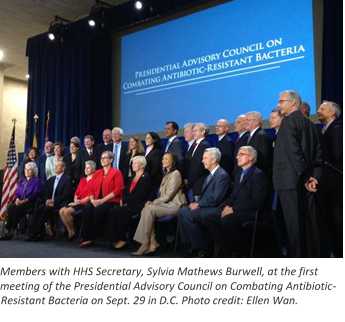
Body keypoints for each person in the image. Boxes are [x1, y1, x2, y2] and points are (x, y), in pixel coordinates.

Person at [273, 90, 322, 257]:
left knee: (294, 227)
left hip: (290, 182)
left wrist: (306, 177)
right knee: (308, 225)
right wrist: (314, 176)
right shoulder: (310, 124)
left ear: (293, 103)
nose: (279, 104)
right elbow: (318, 155)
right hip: (306, 181)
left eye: (281, 101)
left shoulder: (287, 122)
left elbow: (294, 153)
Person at [205, 146, 268, 257]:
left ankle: (236, 253)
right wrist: (223, 207)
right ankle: (225, 251)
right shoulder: (239, 174)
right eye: (238, 154)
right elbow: (233, 196)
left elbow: (257, 202)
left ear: (250, 158)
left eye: (241, 154)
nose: (237, 157)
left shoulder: (258, 175)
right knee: (210, 216)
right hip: (236, 210)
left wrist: (233, 209)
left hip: (249, 212)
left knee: (227, 220)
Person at [178, 148, 230, 257]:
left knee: (187, 213)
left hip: (215, 208)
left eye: (205, 158)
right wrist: (197, 202)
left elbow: (216, 198)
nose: (202, 161)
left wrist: (198, 204)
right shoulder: (209, 175)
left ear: (214, 160)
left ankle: (200, 247)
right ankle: (196, 244)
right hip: (205, 206)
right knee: (183, 210)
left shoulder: (222, 175)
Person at [132, 152, 186, 256]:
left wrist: (153, 202)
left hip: (175, 205)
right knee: (147, 208)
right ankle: (151, 242)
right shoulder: (166, 174)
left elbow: (168, 196)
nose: (163, 161)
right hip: (165, 204)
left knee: (149, 208)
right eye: (162, 159)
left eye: (166, 159)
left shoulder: (176, 174)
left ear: (172, 161)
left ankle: (146, 243)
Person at [79, 150, 124, 248]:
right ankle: (88, 238)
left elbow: (118, 190)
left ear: (111, 160)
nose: (102, 160)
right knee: (87, 208)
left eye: (105, 158)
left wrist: (102, 201)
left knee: (99, 210)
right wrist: (92, 200)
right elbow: (90, 188)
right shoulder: (98, 172)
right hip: (96, 201)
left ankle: (99, 236)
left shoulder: (116, 172)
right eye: (101, 158)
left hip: (110, 201)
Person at [109, 156, 152, 249]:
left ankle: (123, 239)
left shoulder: (146, 177)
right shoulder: (132, 177)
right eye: (132, 163)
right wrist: (122, 200)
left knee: (121, 212)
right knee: (113, 210)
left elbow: (140, 195)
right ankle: (114, 238)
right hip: (129, 203)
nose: (132, 165)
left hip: (139, 205)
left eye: (135, 163)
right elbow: (125, 192)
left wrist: (126, 201)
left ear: (141, 165)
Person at [317, 100, 343, 257]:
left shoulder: (338, 128)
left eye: (322, 109)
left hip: (337, 184)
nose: (318, 111)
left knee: (338, 221)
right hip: (327, 184)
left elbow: (338, 156)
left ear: (333, 112)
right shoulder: (324, 129)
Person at [27, 160, 73, 241]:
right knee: (38, 209)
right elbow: (45, 192)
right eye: (55, 166)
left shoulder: (67, 179)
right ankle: (35, 233)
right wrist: (47, 200)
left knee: (44, 210)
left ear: (63, 168)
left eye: (58, 166)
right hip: (49, 203)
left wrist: (54, 201)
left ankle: (36, 234)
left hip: (60, 203)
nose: (55, 167)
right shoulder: (51, 179)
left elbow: (66, 195)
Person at [0, 162, 42, 240]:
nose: (27, 171)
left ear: (33, 171)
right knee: (10, 207)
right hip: (20, 202)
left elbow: (36, 194)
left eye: (29, 170)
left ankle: (11, 230)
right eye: (26, 169)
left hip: (31, 203)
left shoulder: (37, 181)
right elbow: (17, 193)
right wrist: (17, 199)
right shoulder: (21, 181)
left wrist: (24, 201)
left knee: (16, 209)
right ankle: (9, 230)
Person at [59, 160, 97, 240]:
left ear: (93, 169)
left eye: (88, 168)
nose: (86, 169)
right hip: (77, 202)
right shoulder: (83, 179)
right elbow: (76, 192)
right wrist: (75, 200)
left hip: (86, 204)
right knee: (61, 210)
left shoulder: (95, 180)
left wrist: (78, 202)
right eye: (85, 168)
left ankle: (72, 232)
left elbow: (90, 196)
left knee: (66, 212)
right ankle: (71, 231)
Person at [184, 123, 210, 200]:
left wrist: (189, 181)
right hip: (191, 184)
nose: (193, 133)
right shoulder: (194, 145)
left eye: (196, 131)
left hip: (198, 184)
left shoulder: (205, 145)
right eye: (193, 131)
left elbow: (199, 166)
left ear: (203, 132)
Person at [245, 111, 273, 177]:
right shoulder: (250, 136)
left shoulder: (261, 136)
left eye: (248, 120)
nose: (245, 122)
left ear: (257, 122)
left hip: (258, 176)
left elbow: (263, 159)